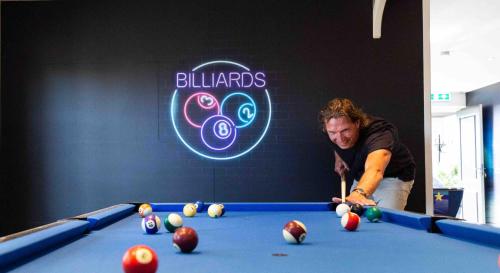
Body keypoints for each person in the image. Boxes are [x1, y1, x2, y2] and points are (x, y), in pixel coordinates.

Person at [319, 98, 416, 210]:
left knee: (384, 219)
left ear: (357, 123)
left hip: (393, 177)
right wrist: (338, 157)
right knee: (353, 214)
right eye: (333, 132)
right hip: (362, 175)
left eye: (345, 130)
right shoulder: (330, 129)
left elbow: (375, 170)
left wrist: (359, 193)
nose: (340, 138)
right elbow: (336, 142)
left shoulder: (379, 133)